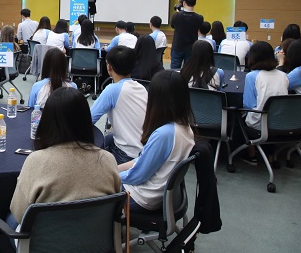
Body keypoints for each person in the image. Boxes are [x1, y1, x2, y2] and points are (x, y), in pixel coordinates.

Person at [10, 87, 120, 225]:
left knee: (9, 220)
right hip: (97, 243)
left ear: (47, 121)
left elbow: (19, 214)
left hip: (44, 244)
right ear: (86, 120)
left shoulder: (36, 161)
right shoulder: (107, 160)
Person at [118, 70, 195, 212]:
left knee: (92, 185)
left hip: (141, 198)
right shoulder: (185, 128)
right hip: (158, 194)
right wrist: (114, 169)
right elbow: (143, 162)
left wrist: (110, 176)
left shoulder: (164, 134)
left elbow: (137, 176)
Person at [91, 46, 148, 164]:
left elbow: (89, 119)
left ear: (109, 67)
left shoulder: (112, 90)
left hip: (125, 154)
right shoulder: (141, 87)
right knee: (108, 138)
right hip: (144, 152)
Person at [243, 41, 289, 148]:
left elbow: (248, 106)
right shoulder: (283, 76)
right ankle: (271, 155)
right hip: (281, 122)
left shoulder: (252, 76)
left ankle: (252, 155)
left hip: (259, 124)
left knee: (236, 118)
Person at [170, 0, 203, 69]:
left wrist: (178, 12)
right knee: (189, 70)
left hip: (177, 46)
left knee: (174, 70)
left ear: (184, 3)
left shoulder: (176, 15)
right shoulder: (199, 18)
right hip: (191, 48)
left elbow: (173, 26)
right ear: (195, 3)